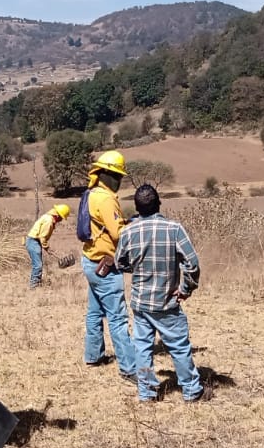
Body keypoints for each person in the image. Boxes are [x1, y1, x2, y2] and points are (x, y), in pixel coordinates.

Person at [115, 184, 210, 403]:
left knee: (142, 349)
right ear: (159, 203)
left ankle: (147, 392)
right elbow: (192, 264)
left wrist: (137, 268)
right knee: (178, 347)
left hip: (140, 303)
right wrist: (186, 288)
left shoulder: (128, 231)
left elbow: (120, 262)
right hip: (167, 302)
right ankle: (192, 390)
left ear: (137, 208)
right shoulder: (174, 228)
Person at [80, 150, 137, 381]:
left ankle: (94, 356)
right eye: (116, 175)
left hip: (90, 261)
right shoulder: (105, 198)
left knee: (94, 312)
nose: (119, 180)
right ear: (104, 174)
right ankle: (130, 368)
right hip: (105, 265)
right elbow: (118, 233)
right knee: (118, 317)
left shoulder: (91, 193)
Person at [25, 203, 71, 288]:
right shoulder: (49, 221)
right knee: (38, 265)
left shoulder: (48, 217)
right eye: (61, 218)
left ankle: (36, 284)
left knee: (38, 264)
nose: (61, 220)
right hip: (33, 241)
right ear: (57, 216)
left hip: (35, 241)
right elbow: (42, 237)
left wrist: (46, 248)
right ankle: (33, 286)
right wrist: (47, 248)